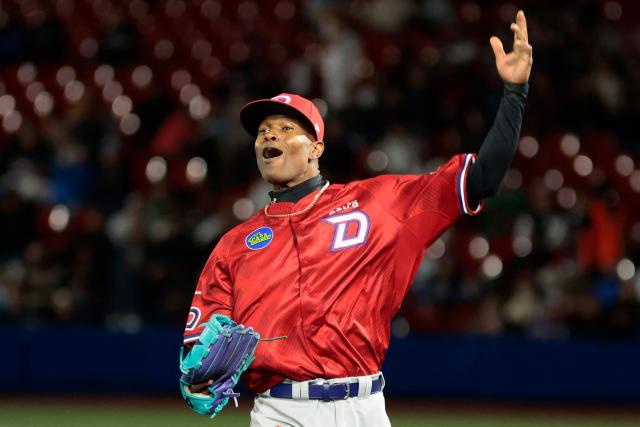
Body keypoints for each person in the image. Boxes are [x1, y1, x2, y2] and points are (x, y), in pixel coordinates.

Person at [182, 10, 532, 427]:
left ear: (315, 149)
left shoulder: (380, 203)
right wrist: (197, 379)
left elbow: (483, 178)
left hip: (364, 407)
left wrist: (514, 92)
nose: (269, 136)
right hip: (280, 411)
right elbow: (198, 343)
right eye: (262, 131)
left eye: (285, 127)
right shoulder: (235, 245)